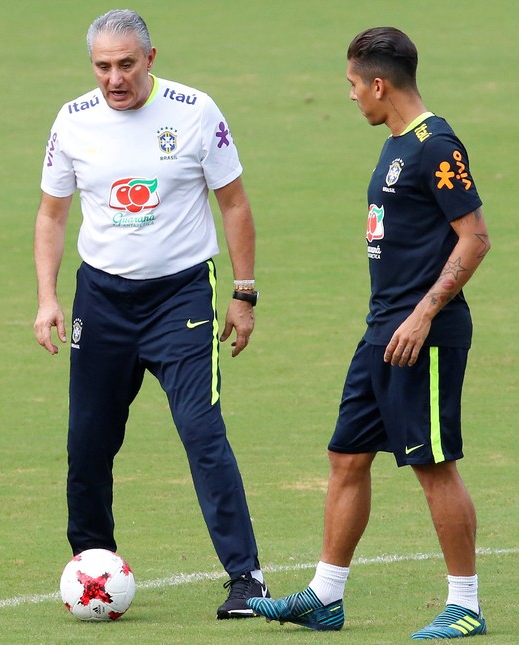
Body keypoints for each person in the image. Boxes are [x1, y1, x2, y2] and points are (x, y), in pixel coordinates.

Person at [248, 27, 491, 639]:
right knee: (347, 455)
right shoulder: (395, 143)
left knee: (434, 465)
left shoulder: (437, 145)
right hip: (382, 329)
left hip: (422, 334)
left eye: (354, 84)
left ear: (379, 84)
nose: (352, 95)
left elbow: (476, 238)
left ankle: (466, 605)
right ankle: (326, 596)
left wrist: (424, 313)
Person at [32, 9, 269, 619]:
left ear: (151, 58)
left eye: (126, 65)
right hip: (101, 302)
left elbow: (234, 203)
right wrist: (47, 298)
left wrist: (243, 293)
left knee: (200, 431)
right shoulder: (73, 120)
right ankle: (91, 565)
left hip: (181, 298)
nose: (115, 79)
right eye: (103, 66)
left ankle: (246, 577)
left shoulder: (195, 112)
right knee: (88, 440)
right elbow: (52, 215)